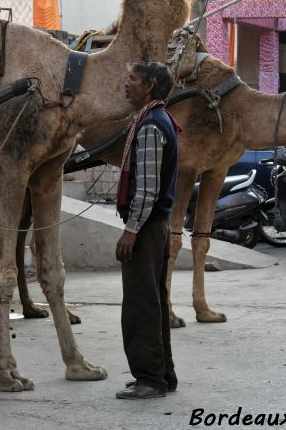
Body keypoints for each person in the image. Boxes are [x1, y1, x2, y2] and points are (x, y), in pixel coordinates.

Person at [114, 61, 180, 399]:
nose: (127, 84)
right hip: (156, 226)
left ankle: (150, 379)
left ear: (150, 86)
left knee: (141, 305)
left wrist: (131, 229)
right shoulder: (157, 119)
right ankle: (162, 374)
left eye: (133, 79)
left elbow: (147, 188)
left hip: (148, 227)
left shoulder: (151, 125)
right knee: (153, 302)